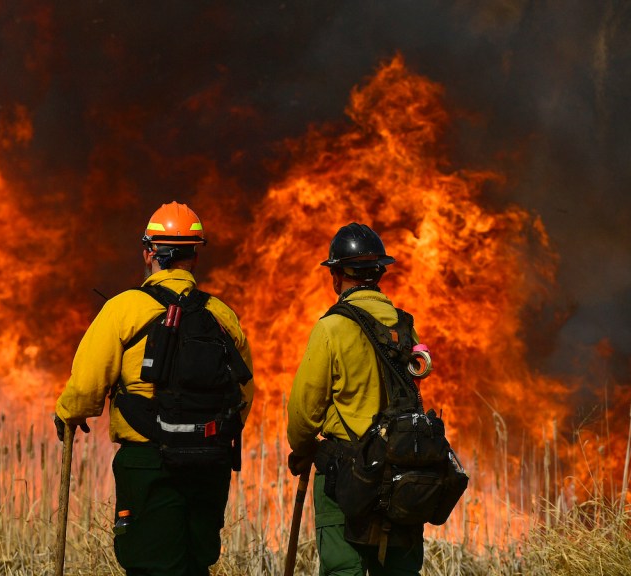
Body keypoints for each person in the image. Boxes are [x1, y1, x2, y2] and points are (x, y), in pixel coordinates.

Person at [54, 201, 254, 576]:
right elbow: (243, 395)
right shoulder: (222, 316)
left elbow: (85, 387)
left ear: (150, 252)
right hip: (209, 463)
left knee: (149, 563)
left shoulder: (124, 309)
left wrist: (68, 413)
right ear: (194, 257)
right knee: (195, 564)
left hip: (148, 463)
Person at [286, 223, 424, 575]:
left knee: (342, 569)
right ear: (379, 272)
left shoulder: (331, 328)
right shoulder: (404, 327)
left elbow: (304, 410)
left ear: (336, 274)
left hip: (344, 475)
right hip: (402, 474)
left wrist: (302, 449)